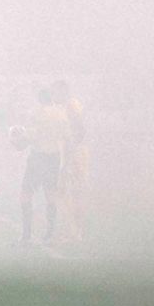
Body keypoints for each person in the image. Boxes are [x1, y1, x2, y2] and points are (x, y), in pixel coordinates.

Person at [18, 87, 68, 245]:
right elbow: (66, 135)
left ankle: (26, 235)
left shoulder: (37, 113)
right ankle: (50, 233)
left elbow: (31, 136)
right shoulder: (61, 113)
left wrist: (19, 141)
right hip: (54, 156)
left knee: (26, 194)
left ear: (39, 99)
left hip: (38, 156)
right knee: (50, 194)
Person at [51, 79, 89, 242]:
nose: (53, 96)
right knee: (66, 192)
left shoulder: (71, 105)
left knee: (72, 192)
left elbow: (80, 129)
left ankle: (74, 232)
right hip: (69, 154)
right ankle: (72, 231)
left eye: (55, 92)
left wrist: (70, 152)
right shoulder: (64, 106)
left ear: (62, 91)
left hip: (75, 155)